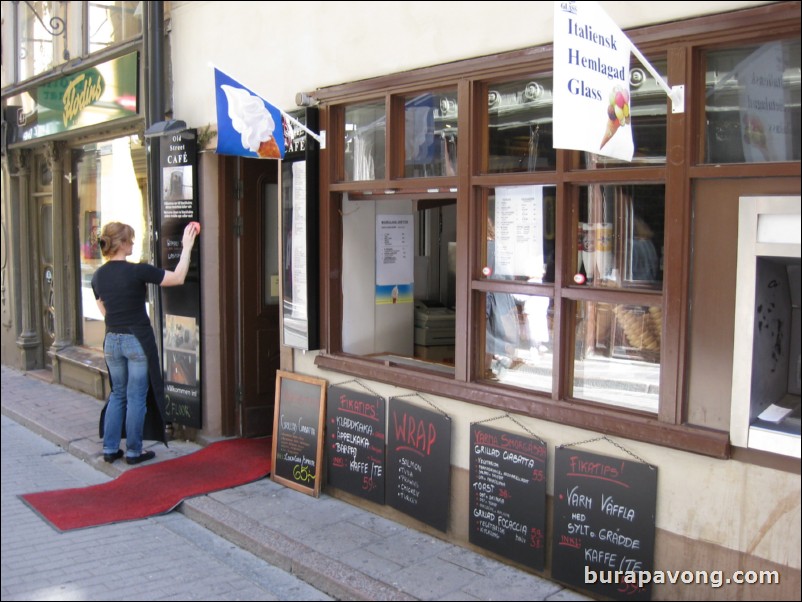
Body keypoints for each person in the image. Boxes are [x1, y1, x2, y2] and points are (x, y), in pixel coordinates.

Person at [92, 221, 199, 465]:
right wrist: (187, 246)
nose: (132, 244)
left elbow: (105, 312)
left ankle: (109, 449)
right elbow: (179, 277)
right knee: (136, 396)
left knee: (118, 393)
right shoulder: (136, 271)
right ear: (121, 244)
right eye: (130, 240)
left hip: (111, 340)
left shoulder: (98, 276)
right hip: (136, 339)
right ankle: (133, 451)